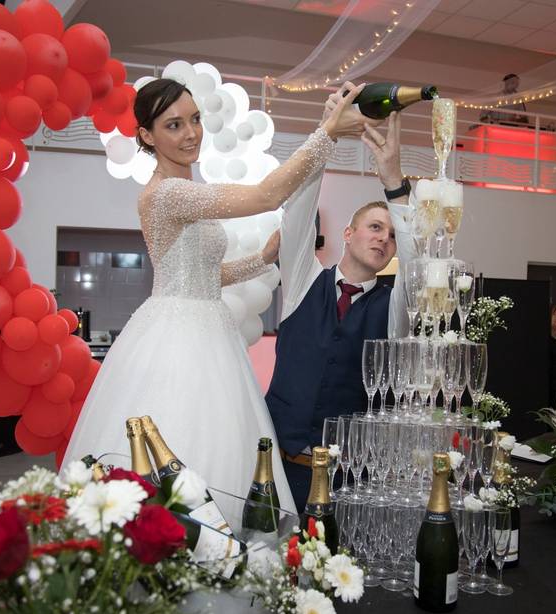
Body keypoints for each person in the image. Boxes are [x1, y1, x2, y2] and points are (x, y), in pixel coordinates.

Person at [63, 78, 372, 513]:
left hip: (207, 324)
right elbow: (268, 194)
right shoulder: (167, 194)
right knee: (182, 430)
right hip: (177, 338)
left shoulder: (184, 192)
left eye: (194, 119)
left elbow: (205, 276)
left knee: (220, 435)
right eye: (173, 125)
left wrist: (264, 259)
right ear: (147, 136)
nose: (190, 134)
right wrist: (327, 135)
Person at [267, 100, 418, 510]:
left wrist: (393, 181)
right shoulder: (302, 282)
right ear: (348, 233)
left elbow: (418, 265)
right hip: (279, 473)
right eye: (373, 227)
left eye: (390, 235)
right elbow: (297, 213)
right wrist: (326, 133)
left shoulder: (393, 310)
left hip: (350, 482)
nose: (382, 239)